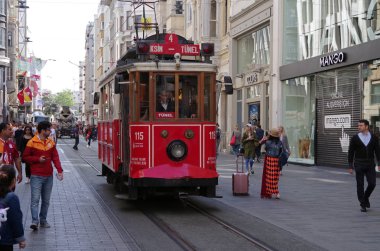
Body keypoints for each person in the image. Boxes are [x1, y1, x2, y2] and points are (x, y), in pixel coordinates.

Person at [22, 121, 64, 230]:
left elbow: (55, 157)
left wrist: (60, 170)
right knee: (35, 200)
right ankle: (35, 221)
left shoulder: (51, 142)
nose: (50, 131)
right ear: (42, 131)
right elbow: (25, 157)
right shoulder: (32, 142)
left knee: (46, 201)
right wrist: (37, 160)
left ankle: (43, 220)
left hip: (48, 176)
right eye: (48, 130)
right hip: (36, 175)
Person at [348, 119, 380, 212]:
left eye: (361, 125)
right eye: (358, 125)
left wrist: (379, 163)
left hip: (370, 163)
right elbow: (351, 152)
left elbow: (377, 151)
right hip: (359, 163)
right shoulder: (355, 138)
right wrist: (350, 166)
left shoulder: (374, 137)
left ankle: (366, 197)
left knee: (372, 183)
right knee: (360, 184)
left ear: (366, 126)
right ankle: (362, 203)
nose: (359, 127)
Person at [0, 165, 26, 250]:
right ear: (13, 181)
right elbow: (15, 220)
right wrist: (20, 238)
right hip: (5, 239)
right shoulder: (11, 197)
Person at [261, 128, 283, 199]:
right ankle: (276, 192)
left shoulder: (268, 142)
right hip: (277, 160)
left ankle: (270, 191)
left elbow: (265, 148)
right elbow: (280, 151)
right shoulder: (280, 142)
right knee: (275, 177)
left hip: (269, 159)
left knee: (269, 176)